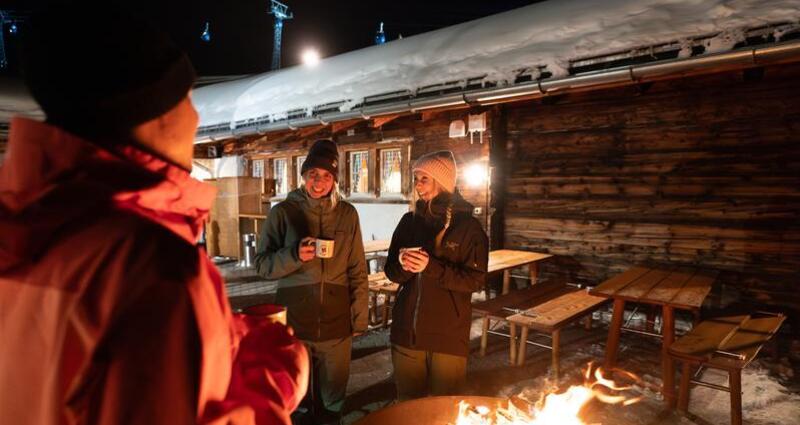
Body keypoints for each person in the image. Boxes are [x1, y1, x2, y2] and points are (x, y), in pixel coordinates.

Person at [0, 5, 308, 425]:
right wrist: (273, 377)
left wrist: (220, 337)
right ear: (154, 114)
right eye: (187, 97)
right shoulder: (152, 267)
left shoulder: (29, 234)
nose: (197, 116)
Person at [254, 139, 369, 424]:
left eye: (327, 176)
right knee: (298, 398)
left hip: (336, 325)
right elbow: (262, 265)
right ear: (304, 175)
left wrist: (359, 319)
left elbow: (357, 269)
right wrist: (294, 255)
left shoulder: (347, 214)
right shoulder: (283, 212)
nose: (319, 182)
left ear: (335, 180)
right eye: (314, 175)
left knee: (333, 401)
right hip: (296, 323)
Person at [384, 150, 489, 401]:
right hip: (407, 334)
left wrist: (431, 266)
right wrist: (401, 264)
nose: (418, 185)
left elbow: (475, 280)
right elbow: (391, 272)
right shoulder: (409, 221)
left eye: (424, 179)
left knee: (445, 410)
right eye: (416, 178)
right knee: (409, 410)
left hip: (447, 338)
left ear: (442, 181)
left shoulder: (468, 228)